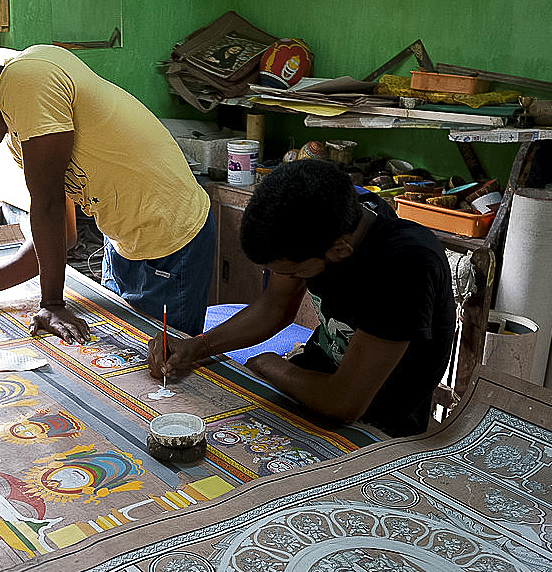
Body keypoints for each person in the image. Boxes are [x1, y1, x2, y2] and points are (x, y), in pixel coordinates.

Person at [0, 40, 214, 342]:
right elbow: (62, 235)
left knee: (165, 377)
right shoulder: (21, 132)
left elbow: (47, 204)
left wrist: (52, 303)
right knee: (120, 362)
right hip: (123, 244)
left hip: (171, 241)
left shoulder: (27, 82)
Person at [148, 159, 456, 438]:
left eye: (295, 273)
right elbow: (275, 305)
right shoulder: (328, 214)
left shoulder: (405, 265)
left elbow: (344, 404)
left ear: (340, 250)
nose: (291, 279)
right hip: (313, 379)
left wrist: (273, 365)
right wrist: (198, 346)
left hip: (378, 422)